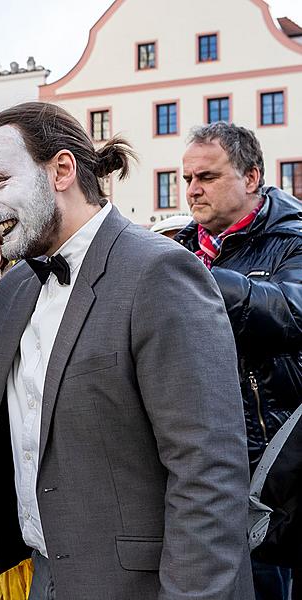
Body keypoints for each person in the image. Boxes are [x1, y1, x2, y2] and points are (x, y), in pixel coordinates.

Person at [0, 101, 253, 599]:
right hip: (45, 577)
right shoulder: (20, 285)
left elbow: (209, 475)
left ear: (61, 169)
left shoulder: (159, 274)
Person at [173, 122, 302, 600]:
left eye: (206, 176)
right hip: (203, 464)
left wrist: (202, 280)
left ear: (251, 178)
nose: (192, 190)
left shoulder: (293, 236)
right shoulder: (183, 247)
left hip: (278, 468)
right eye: (186, 179)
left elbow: (292, 311)